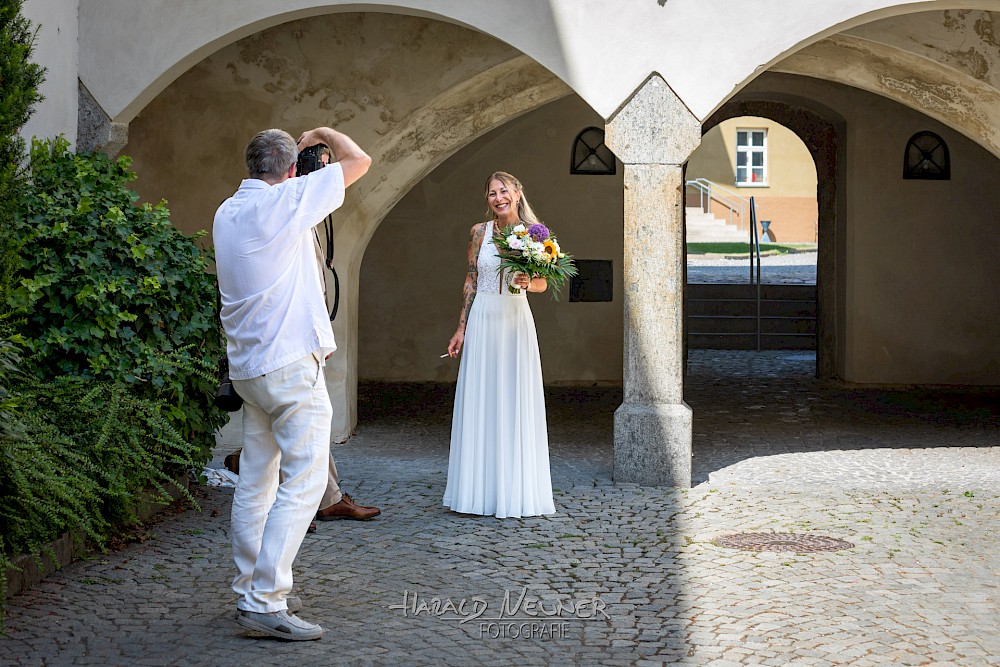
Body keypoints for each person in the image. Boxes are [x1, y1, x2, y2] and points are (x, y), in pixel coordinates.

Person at [214, 127, 371, 641]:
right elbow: (359, 159)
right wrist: (321, 135)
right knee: (305, 483)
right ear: (288, 170)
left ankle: (248, 588)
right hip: (288, 367)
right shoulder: (285, 203)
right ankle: (265, 599)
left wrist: (297, 165)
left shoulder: (228, 211)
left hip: (250, 369)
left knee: (257, 480)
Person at [443, 171, 556, 519]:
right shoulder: (480, 232)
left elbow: (542, 284)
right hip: (482, 320)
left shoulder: (537, 236)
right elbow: (472, 277)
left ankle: (516, 489)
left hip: (514, 322)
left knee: (513, 398)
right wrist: (461, 327)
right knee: (481, 399)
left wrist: (528, 282)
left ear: (518, 194)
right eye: (492, 193)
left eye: (503, 191)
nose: (498, 198)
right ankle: (477, 491)